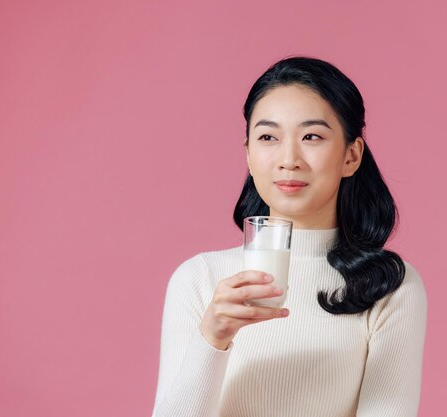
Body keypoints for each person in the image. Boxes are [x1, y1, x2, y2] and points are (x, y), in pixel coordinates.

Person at [151, 56, 428, 417]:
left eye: (311, 136)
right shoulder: (199, 279)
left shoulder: (389, 286)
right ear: (249, 154)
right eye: (268, 137)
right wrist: (213, 338)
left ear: (351, 155)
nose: (288, 159)